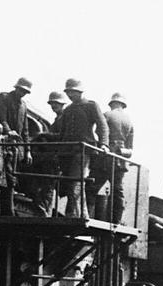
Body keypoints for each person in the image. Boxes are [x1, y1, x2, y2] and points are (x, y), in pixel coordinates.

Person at [53, 79, 109, 220]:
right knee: (71, 182)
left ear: (80, 92)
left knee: (76, 182)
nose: (70, 95)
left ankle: (75, 215)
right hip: (67, 152)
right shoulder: (68, 110)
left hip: (83, 151)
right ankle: (81, 213)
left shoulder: (91, 106)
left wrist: (104, 144)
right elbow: (63, 132)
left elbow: (102, 126)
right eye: (68, 92)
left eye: (73, 92)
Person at [88, 92, 133, 224]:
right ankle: (116, 221)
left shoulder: (107, 115)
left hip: (104, 158)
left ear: (112, 103)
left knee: (91, 188)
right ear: (123, 105)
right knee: (118, 191)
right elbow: (130, 147)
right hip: (120, 160)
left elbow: (99, 132)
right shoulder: (129, 121)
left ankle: (87, 216)